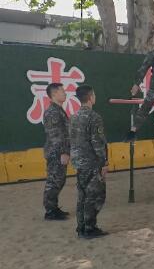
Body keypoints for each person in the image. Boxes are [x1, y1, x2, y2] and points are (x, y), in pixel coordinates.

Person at [69, 85, 108, 239]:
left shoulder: (74, 117)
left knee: (82, 196)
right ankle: (90, 229)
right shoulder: (94, 117)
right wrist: (104, 163)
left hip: (79, 162)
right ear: (91, 97)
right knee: (96, 196)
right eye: (94, 95)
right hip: (92, 163)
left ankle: (81, 228)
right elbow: (97, 143)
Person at [42, 83, 71, 221]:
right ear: (54, 94)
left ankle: (53, 208)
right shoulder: (53, 112)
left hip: (58, 152)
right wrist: (63, 152)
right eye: (62, 91)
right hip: (56, 153)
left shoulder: (58, 110)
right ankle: (50, 211)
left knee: (59, 180)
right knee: (54, 181)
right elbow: (55, 135)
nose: (65, 93)